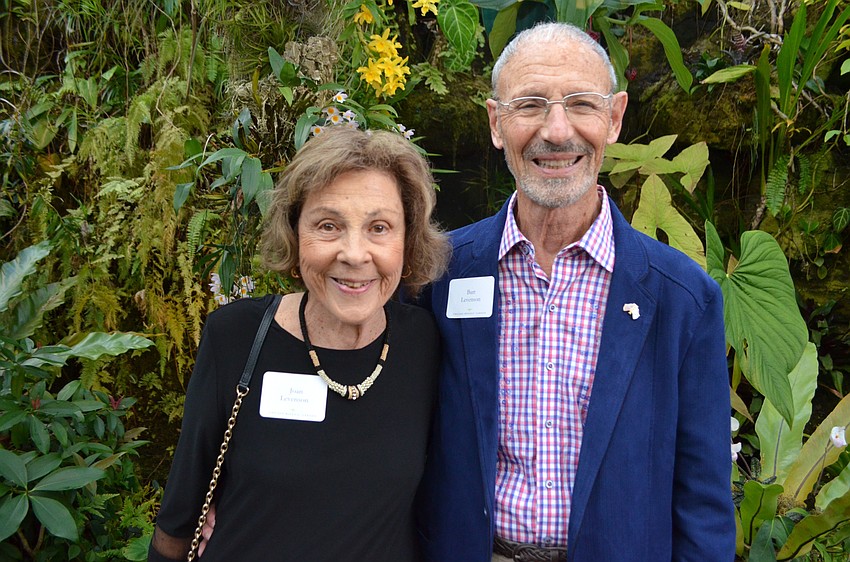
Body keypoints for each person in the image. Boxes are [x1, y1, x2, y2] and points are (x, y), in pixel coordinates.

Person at [414, 22, 736, 561]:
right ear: (497, 123)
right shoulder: (438, 275)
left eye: (582, 104)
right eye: (531, 105)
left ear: (614, 119)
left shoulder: (683, 300)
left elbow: (704, 500)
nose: (557, 131)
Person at [148, 127, 450, 562]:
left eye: (379, 227)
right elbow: (179, 518)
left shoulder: (424, 342)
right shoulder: (237, 336)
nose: (355, 253)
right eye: (328, 226)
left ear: (408, 239)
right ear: (294, 232)